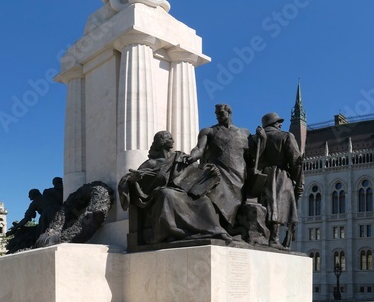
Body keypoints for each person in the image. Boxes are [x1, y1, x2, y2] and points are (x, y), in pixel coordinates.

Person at [118, 131, 229, 245]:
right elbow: (130, 179)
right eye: (169, 138)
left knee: (204, 200)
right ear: (161, 142)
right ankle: (173, 232)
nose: (173, 141)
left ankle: (215, 230)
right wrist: (134, 179)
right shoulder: (151, 163)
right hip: (161, 194)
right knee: (166, 194)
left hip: (183, 192)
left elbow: (194, 171)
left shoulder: (179, 157)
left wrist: (209, 170)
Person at [187, 104, 252, 234]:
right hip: (217, 172)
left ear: (229, 112)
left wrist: (262, 139)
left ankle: (228, 229)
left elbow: (252, 156)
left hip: (238, 173)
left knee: (236, 203)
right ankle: (215, 228)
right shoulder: (208, 131)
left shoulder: (244, 133)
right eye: (216, 114)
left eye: (221, 113)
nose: (218, 116)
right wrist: (191, 157)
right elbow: (199, 149)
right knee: (215, 196)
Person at [254, 112, 304, 247]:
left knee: (266, 205)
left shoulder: (256, 138)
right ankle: (274, 239)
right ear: (274, 124)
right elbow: (296, 162)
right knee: (278, 205)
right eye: (278, 122)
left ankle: (264, 236)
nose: (281, 124)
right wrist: (298, 182)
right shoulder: (285, 136)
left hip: (260, 175)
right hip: (280, 175)